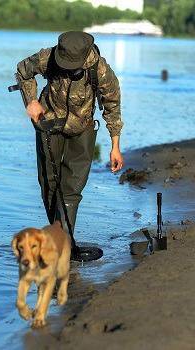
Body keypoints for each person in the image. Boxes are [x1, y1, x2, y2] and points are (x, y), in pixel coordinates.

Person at [16, 31, 123, 240]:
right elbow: (23, 71)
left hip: (83, 129)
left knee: (71, 189)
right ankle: (58, 233)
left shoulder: (100, 69)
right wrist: (31, 100)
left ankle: (62, 241)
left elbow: (113, 107)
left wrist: (115, 146)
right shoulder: (48, 57)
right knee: (48, 183)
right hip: (48, 124)